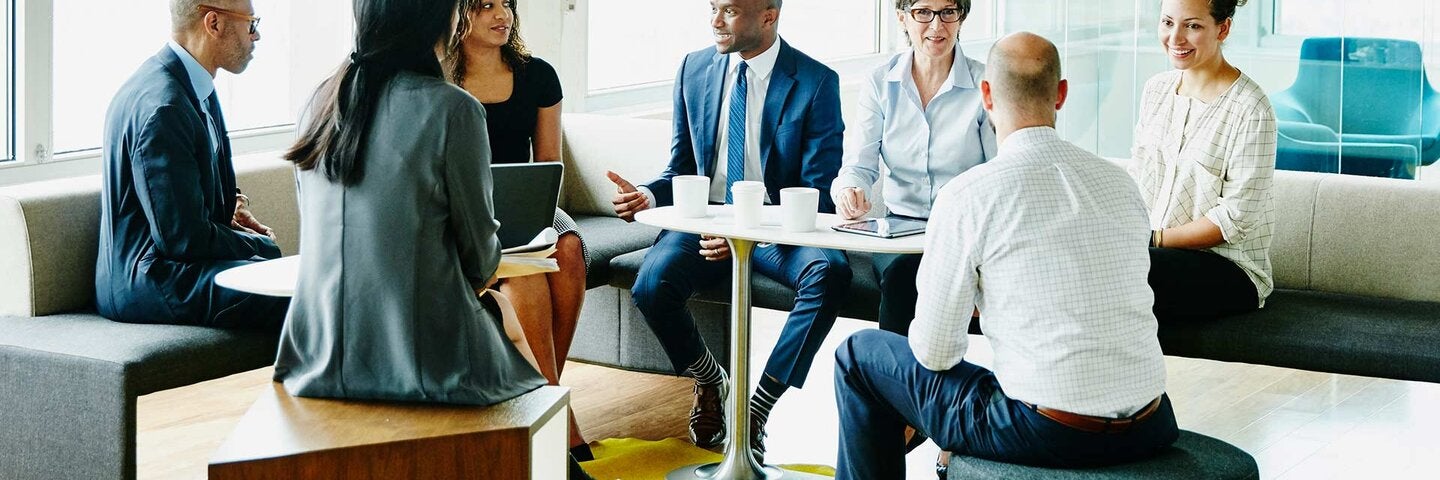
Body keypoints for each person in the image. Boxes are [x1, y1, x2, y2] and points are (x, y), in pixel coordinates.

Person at [833, 32, 1179, 479]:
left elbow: (936, 354)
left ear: (987, 95)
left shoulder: (971, 195)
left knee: (859, 354)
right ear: (1062, 94)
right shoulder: (1119, 184)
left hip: (1047, 430)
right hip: (1151, 422)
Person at [605, 0, 850, 463]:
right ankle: (709, 379)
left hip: (777, 227)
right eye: (713, 8)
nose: (715, 21)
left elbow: (818, 190)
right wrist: (647, 195)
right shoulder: (694, 68)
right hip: (708, 218)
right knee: (653, 284)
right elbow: (680, 168)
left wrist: (748, 233)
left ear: (768, 17)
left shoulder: (817, 82)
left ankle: (758, 408)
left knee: (829, 272)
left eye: (730, 11)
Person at [444, 0, 594, 462]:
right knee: (527, 273)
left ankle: (544, 394)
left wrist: (533, 210)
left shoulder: (538, 74)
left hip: (528, 207)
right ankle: (555, 412)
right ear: (458, 14)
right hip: (462, 212)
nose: (501, 15)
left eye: (506, 4)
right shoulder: (438, 79)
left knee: (567, 248)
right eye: (486, 5)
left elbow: (549, 166)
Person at [96, 0, 287, 328]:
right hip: (150, 278)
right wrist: (260, 245)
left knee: (288, 277)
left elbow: (186, 184)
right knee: (297, 295)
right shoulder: (164, 106)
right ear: (214, 24)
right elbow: (184, 239)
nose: (256, 36)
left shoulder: (192, 84)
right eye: (251, 24)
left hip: (173, 264)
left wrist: (232, 206)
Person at [831, 0, 996, 336]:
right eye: (923, 12)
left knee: (936, 279)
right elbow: (858, 165)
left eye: (948, 12)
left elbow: (999, 174)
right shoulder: (880, 82)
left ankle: (927, 384)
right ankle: (894, 382)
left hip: (965, 235)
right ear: (902, 17)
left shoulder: (985, 84)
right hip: (900, 235)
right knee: (904, 274)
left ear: (961, 16)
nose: (936, 27)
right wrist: (849, 190)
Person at [1130, 0, 1276, 321]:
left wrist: (1153, 238)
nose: (1175, 38)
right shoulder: (1155, 91)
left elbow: (1234, 219)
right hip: (1154, 253)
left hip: (1228, 267)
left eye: (1192, 26)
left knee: (1129, 275)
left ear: (1222, 28)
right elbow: (1138, 179)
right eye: (1168, 23)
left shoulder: (1251, 109)